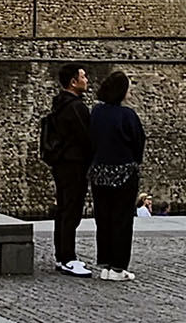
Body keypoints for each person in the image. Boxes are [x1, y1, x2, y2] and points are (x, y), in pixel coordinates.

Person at [89, 69, 146, 282]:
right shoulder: (127, 115)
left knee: (103, 219)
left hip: (99, 171)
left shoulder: (96, 112)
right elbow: (138, 141)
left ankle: (105, 263)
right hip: (123, 171)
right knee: (122, 220)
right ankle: (119, 266)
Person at [42, 64, 95, 277]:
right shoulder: (76, 108)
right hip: (73, 164)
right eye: (83, 76)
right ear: (73, 82)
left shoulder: (61, 105)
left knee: (64, 209)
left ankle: (62, 255)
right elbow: (86, 137)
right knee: (71, 211)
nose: (87, 80)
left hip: (63, 163)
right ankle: (68, 257)